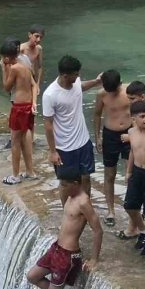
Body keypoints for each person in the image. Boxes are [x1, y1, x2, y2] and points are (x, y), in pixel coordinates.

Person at [26, 167, 103, 289]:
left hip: (68, 255)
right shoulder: (69, 196)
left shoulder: (83, 202)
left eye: (64, 184)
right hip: (56, 249)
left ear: (76, 183)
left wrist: (94, 259)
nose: (61, 186)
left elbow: (97, 230)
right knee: (32, 276)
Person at [42, 56, 102, 199]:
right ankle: (67, 214)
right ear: (64, 75)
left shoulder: (75, 82)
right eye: (75, 74)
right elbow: (48, 125)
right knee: (66, 183)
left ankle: (85, 207)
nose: (78, 76)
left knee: (86, 177)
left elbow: (80, 87)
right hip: (64, 147)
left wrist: (96, 82)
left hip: (83, 142)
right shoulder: (50, 95)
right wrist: (52, 151)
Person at [119, 100, 145, 256]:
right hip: (137, 172)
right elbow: (132, 151)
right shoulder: (131, 133)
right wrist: (129, 172)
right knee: (130, 205)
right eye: (142, 116)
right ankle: (143, 231)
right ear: (133, 119)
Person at [93, 70, 131, 227]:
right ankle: (110, 210)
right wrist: (98, 137)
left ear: (120, 84)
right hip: (110, 135)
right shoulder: (102, 94)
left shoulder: (129, 90)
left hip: (129, 133)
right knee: (110, 173)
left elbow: (140, 111)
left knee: (131, 173)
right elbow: (96, 114)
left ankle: (132, 208)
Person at [0, 40, 37, 184]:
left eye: (3, 57)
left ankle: (15, 175)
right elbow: (33, 85)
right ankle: (30, 172)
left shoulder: (14, 68)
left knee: (15, 141)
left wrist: (4, 69)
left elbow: (7, 87)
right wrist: (34, 103)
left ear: (7, 58)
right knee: (23, 138)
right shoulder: (25, 66)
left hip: (19, 107)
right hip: (27, 106)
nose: (2, 60)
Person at [20, 26, 45, 90]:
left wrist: (37, 84)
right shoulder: (21, 49)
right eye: (36, 36)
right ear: (29, 35)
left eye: (41, 37)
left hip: (32, 78)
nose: (39, 39)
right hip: (21, 79)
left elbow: (40, 67)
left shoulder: (39, 49)